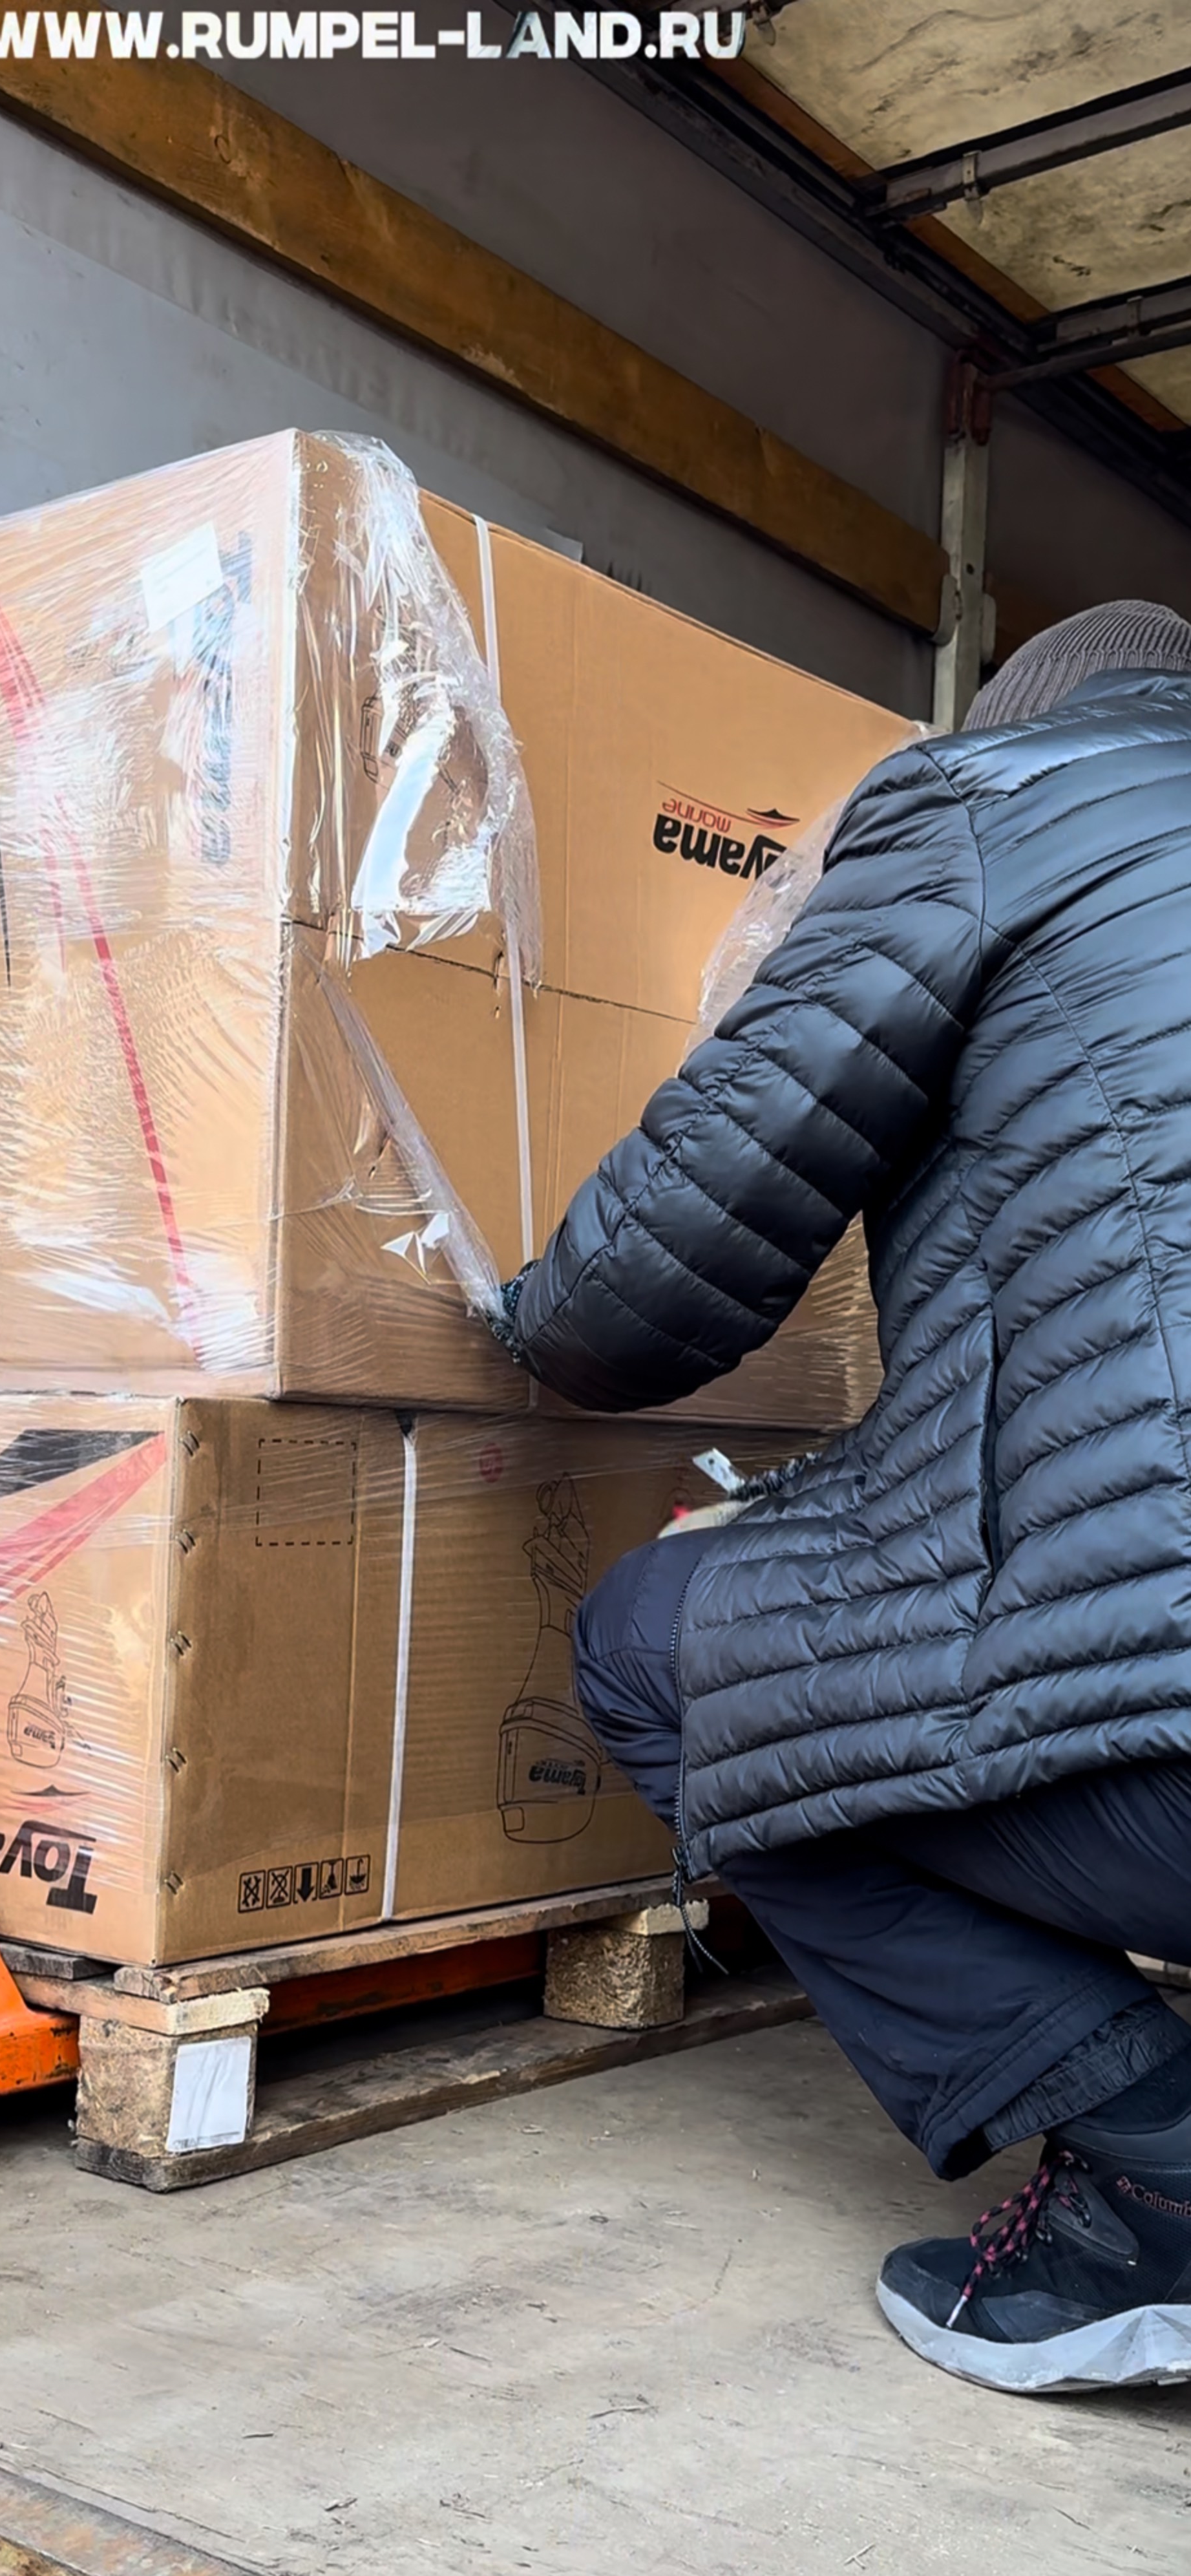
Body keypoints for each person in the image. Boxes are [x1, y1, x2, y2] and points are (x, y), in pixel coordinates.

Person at [498, 600, 1191, 2396]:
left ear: (1024, 719)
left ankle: (1158, 2178)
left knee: (654, 1649)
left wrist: (482, 1318)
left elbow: (656, 1264)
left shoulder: (993, 802)